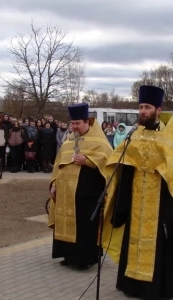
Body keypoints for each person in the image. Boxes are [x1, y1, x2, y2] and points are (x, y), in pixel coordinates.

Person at [102, 85, 173, 300]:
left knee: (160, 245)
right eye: (140, 107)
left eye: (147, 107)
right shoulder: (134, 135)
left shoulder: (170, 137)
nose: (142, 112)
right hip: (136, 201)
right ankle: (133, 285)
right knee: (134, 241)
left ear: (158, 110)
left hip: (160, 203)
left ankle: (159, 288)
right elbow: (120, 163)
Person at [48, 103, 113, 270]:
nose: (74, 127)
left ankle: (86, 258)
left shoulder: (99, 140)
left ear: (87, 122)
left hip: (88, 192)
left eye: (77, 123)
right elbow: (58, 162)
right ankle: (69, 256)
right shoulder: (69, 140)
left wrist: (88, 161)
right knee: (67, 222)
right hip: (66, 192)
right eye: (72, 123)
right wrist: (54, 183)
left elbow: (107, 161)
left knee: (84, 226)